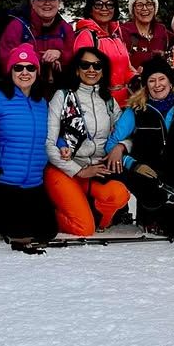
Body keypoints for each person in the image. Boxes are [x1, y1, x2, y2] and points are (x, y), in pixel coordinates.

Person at [105, 56, 174, 236]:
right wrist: (132, 163)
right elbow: (111, 144)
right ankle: (150, 214)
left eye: (161, 79)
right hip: (147, 176)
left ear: (170, 82)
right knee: (158, 210)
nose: (157, 85)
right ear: (146, 85)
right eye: (151, 80)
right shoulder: (136, 110)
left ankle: (173, 209)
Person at [45, 47, 130, 236]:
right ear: (77, 69)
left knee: (119, 194)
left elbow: (128, 133)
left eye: (97, 66)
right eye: (85, 65)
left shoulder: (108, 100)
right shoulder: (63, 96)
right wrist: (79, 171)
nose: (92, 70)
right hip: (65, 170)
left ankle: (95, 216)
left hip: (96, 171)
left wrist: (121, 146)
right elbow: (49, 143)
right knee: (84, 228)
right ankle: (47, 216)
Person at [0, 46, 57, 246]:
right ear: (10, 71)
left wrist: (62, 143)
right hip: (4, 183)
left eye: (30, 68)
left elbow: (52, 130)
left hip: (34, 182)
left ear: (37, 72)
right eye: (18, 68)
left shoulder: (41, 101)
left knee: (48, 231)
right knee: (19, 233)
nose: (25, 72)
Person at [0, 0, 74, 91]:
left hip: (58, 91)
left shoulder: (65, 29)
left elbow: (73, 56)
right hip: (25, 91)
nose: (47, 3)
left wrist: (60, 54)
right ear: (32, 2)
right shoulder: (17, 26)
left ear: (59, 3)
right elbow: (5, 58)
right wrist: (39, 58)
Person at [72, 0, 135, 106]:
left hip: (125, 102)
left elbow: (126, 68)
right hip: (99, 102)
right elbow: (83, 73)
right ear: (90, 9)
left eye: (109, 4)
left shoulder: (116, 35)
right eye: (98, 4)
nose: (104, 8)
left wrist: (137, 78)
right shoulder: (86, 36)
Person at [120, 0, 170, 73]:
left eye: (149, 4)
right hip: (131, 84)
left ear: (155, 8)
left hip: (157, 84)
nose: (145, 8)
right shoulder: (123, 32)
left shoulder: (162, 31)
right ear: (133, 9)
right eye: (139, 5)